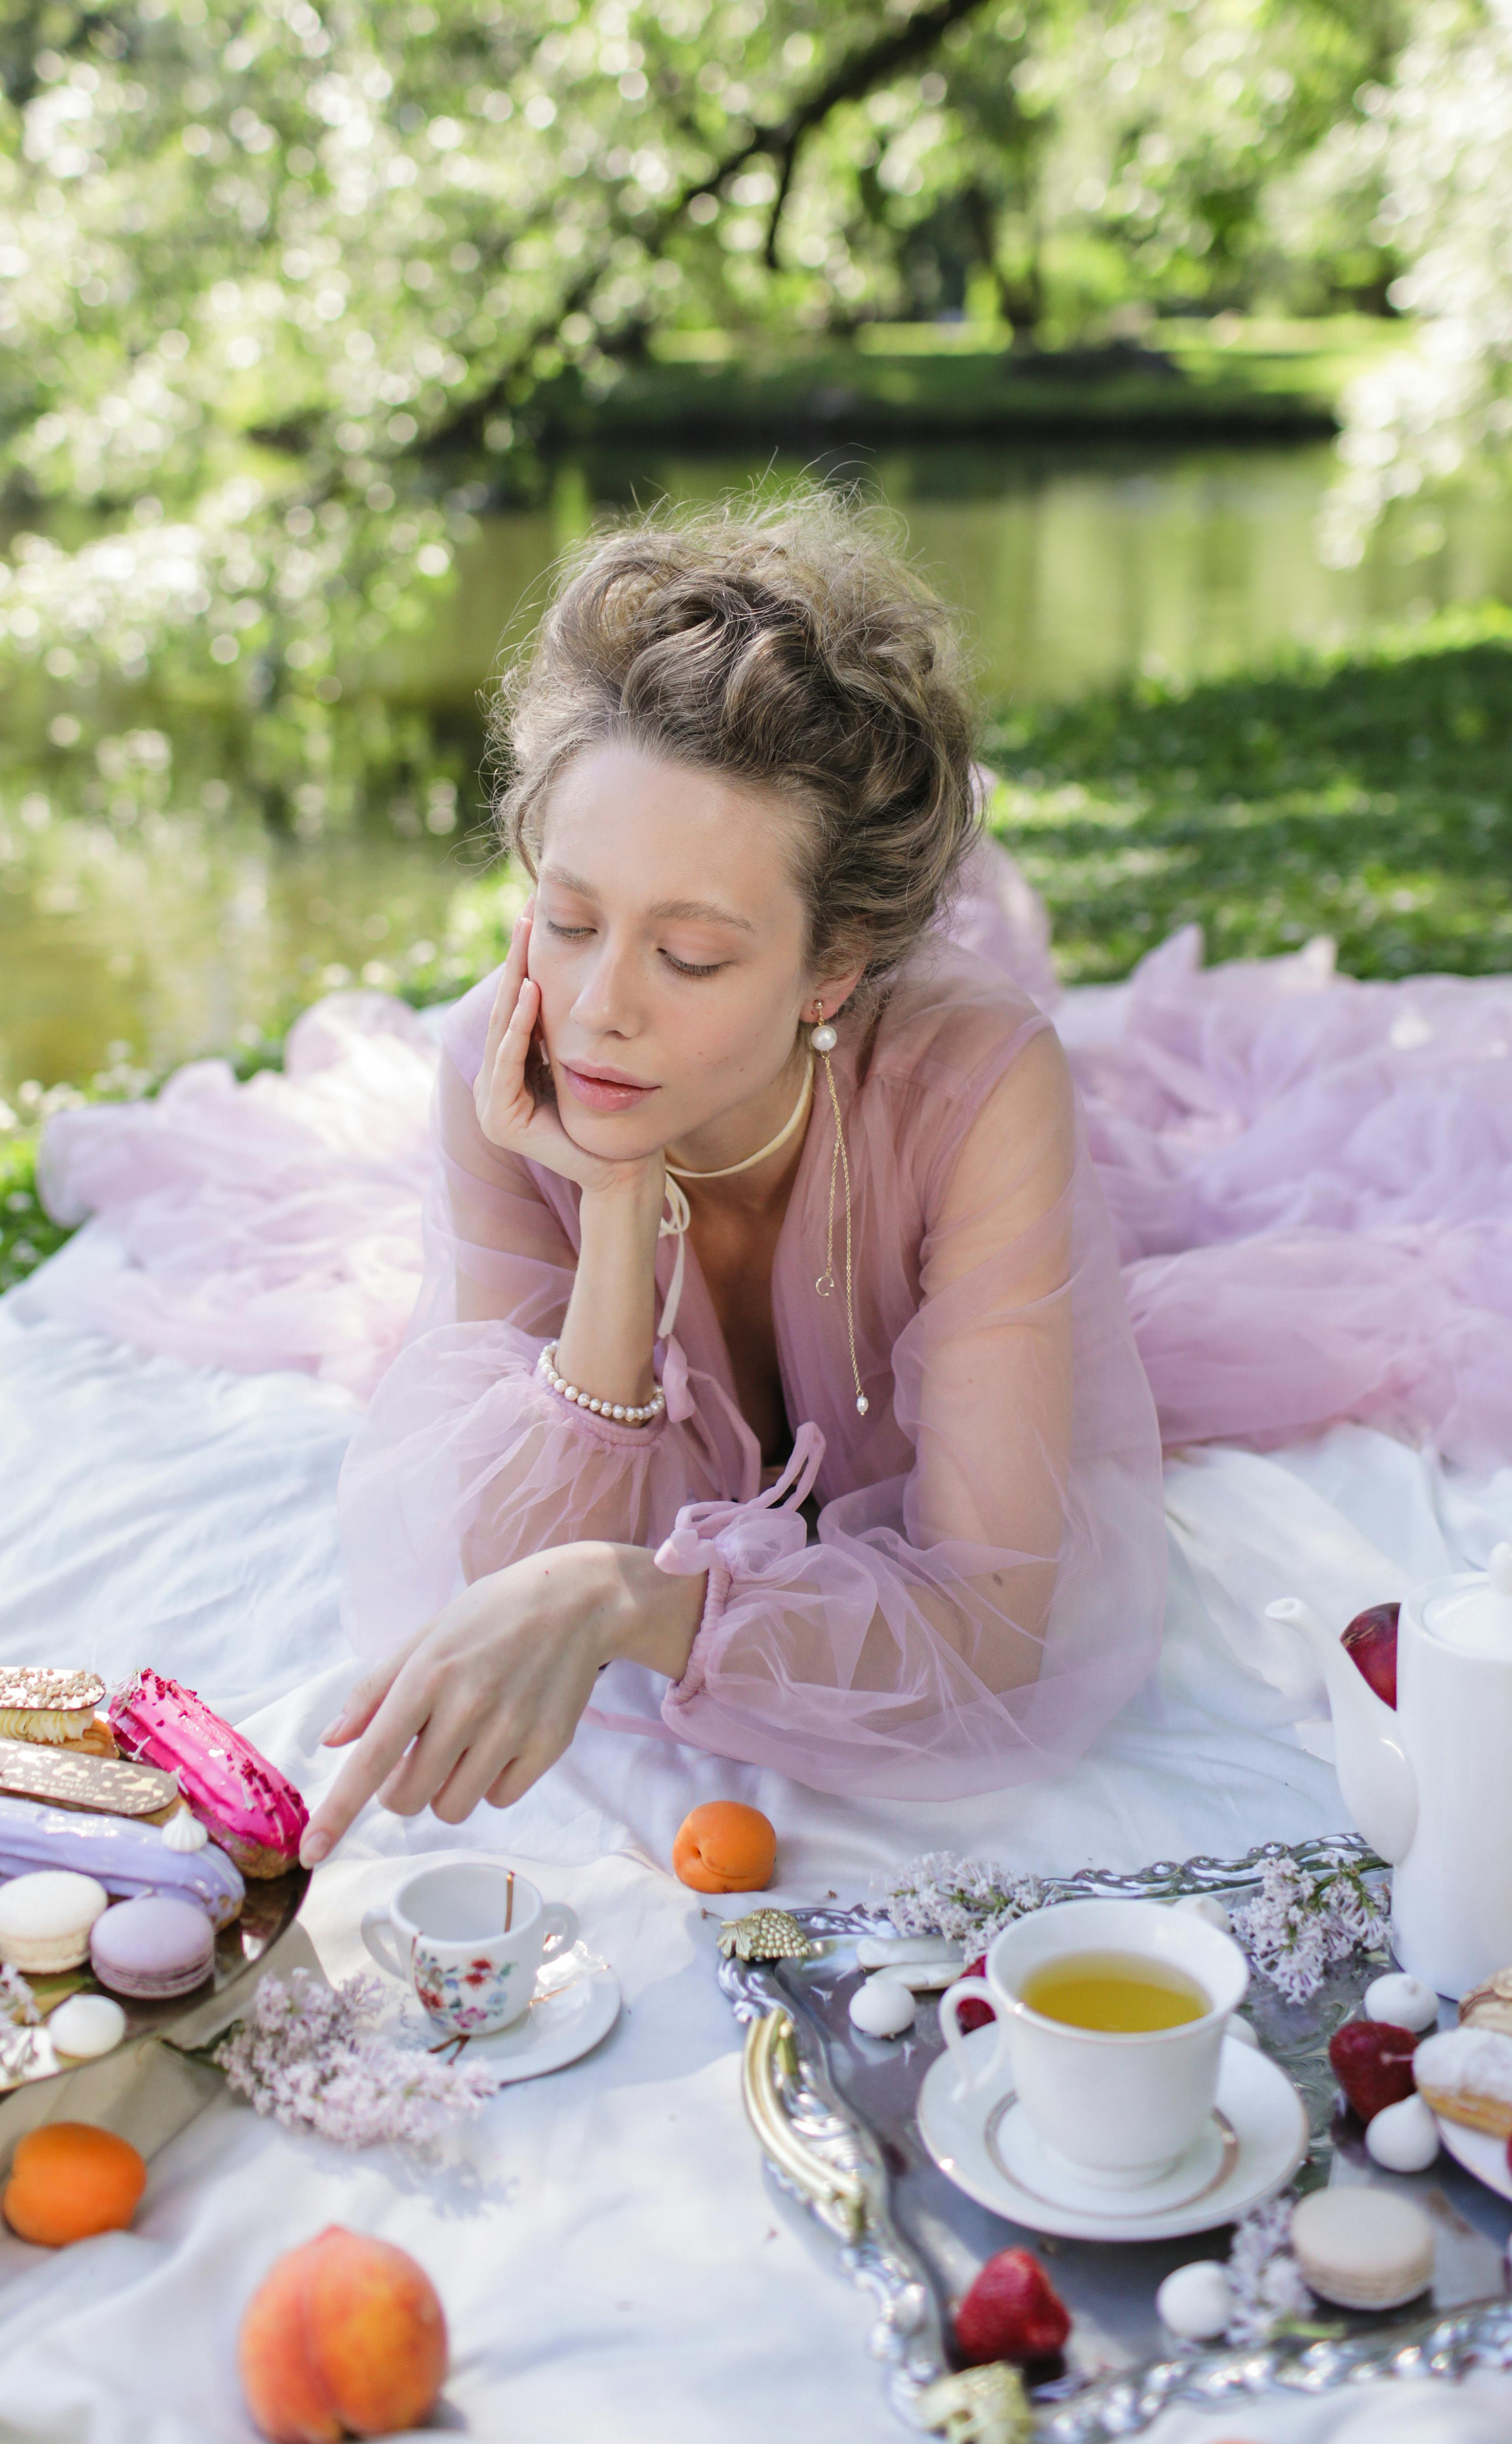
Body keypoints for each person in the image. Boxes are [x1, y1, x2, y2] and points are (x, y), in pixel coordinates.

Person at [300, 497, 1164, 1866]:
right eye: (571, 920)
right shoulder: (502, 1054)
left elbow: (991, 1633)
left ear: (832, 967)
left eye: (689, 956)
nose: (591, 1012)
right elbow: (499, 1556)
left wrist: (628, 1598)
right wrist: (618, 1203)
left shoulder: (980, 1088)